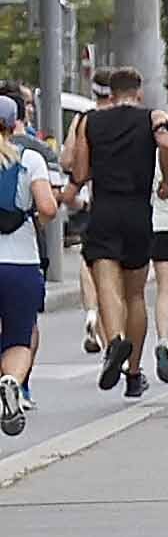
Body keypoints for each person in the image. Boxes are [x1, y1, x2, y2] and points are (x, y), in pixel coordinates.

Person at [0, 93, 65, 435]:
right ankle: (12, 380)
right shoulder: (30, 159)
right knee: (19, 338)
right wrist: (33, 222)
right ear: (14, 123)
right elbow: (49, 207)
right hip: (21, 263)